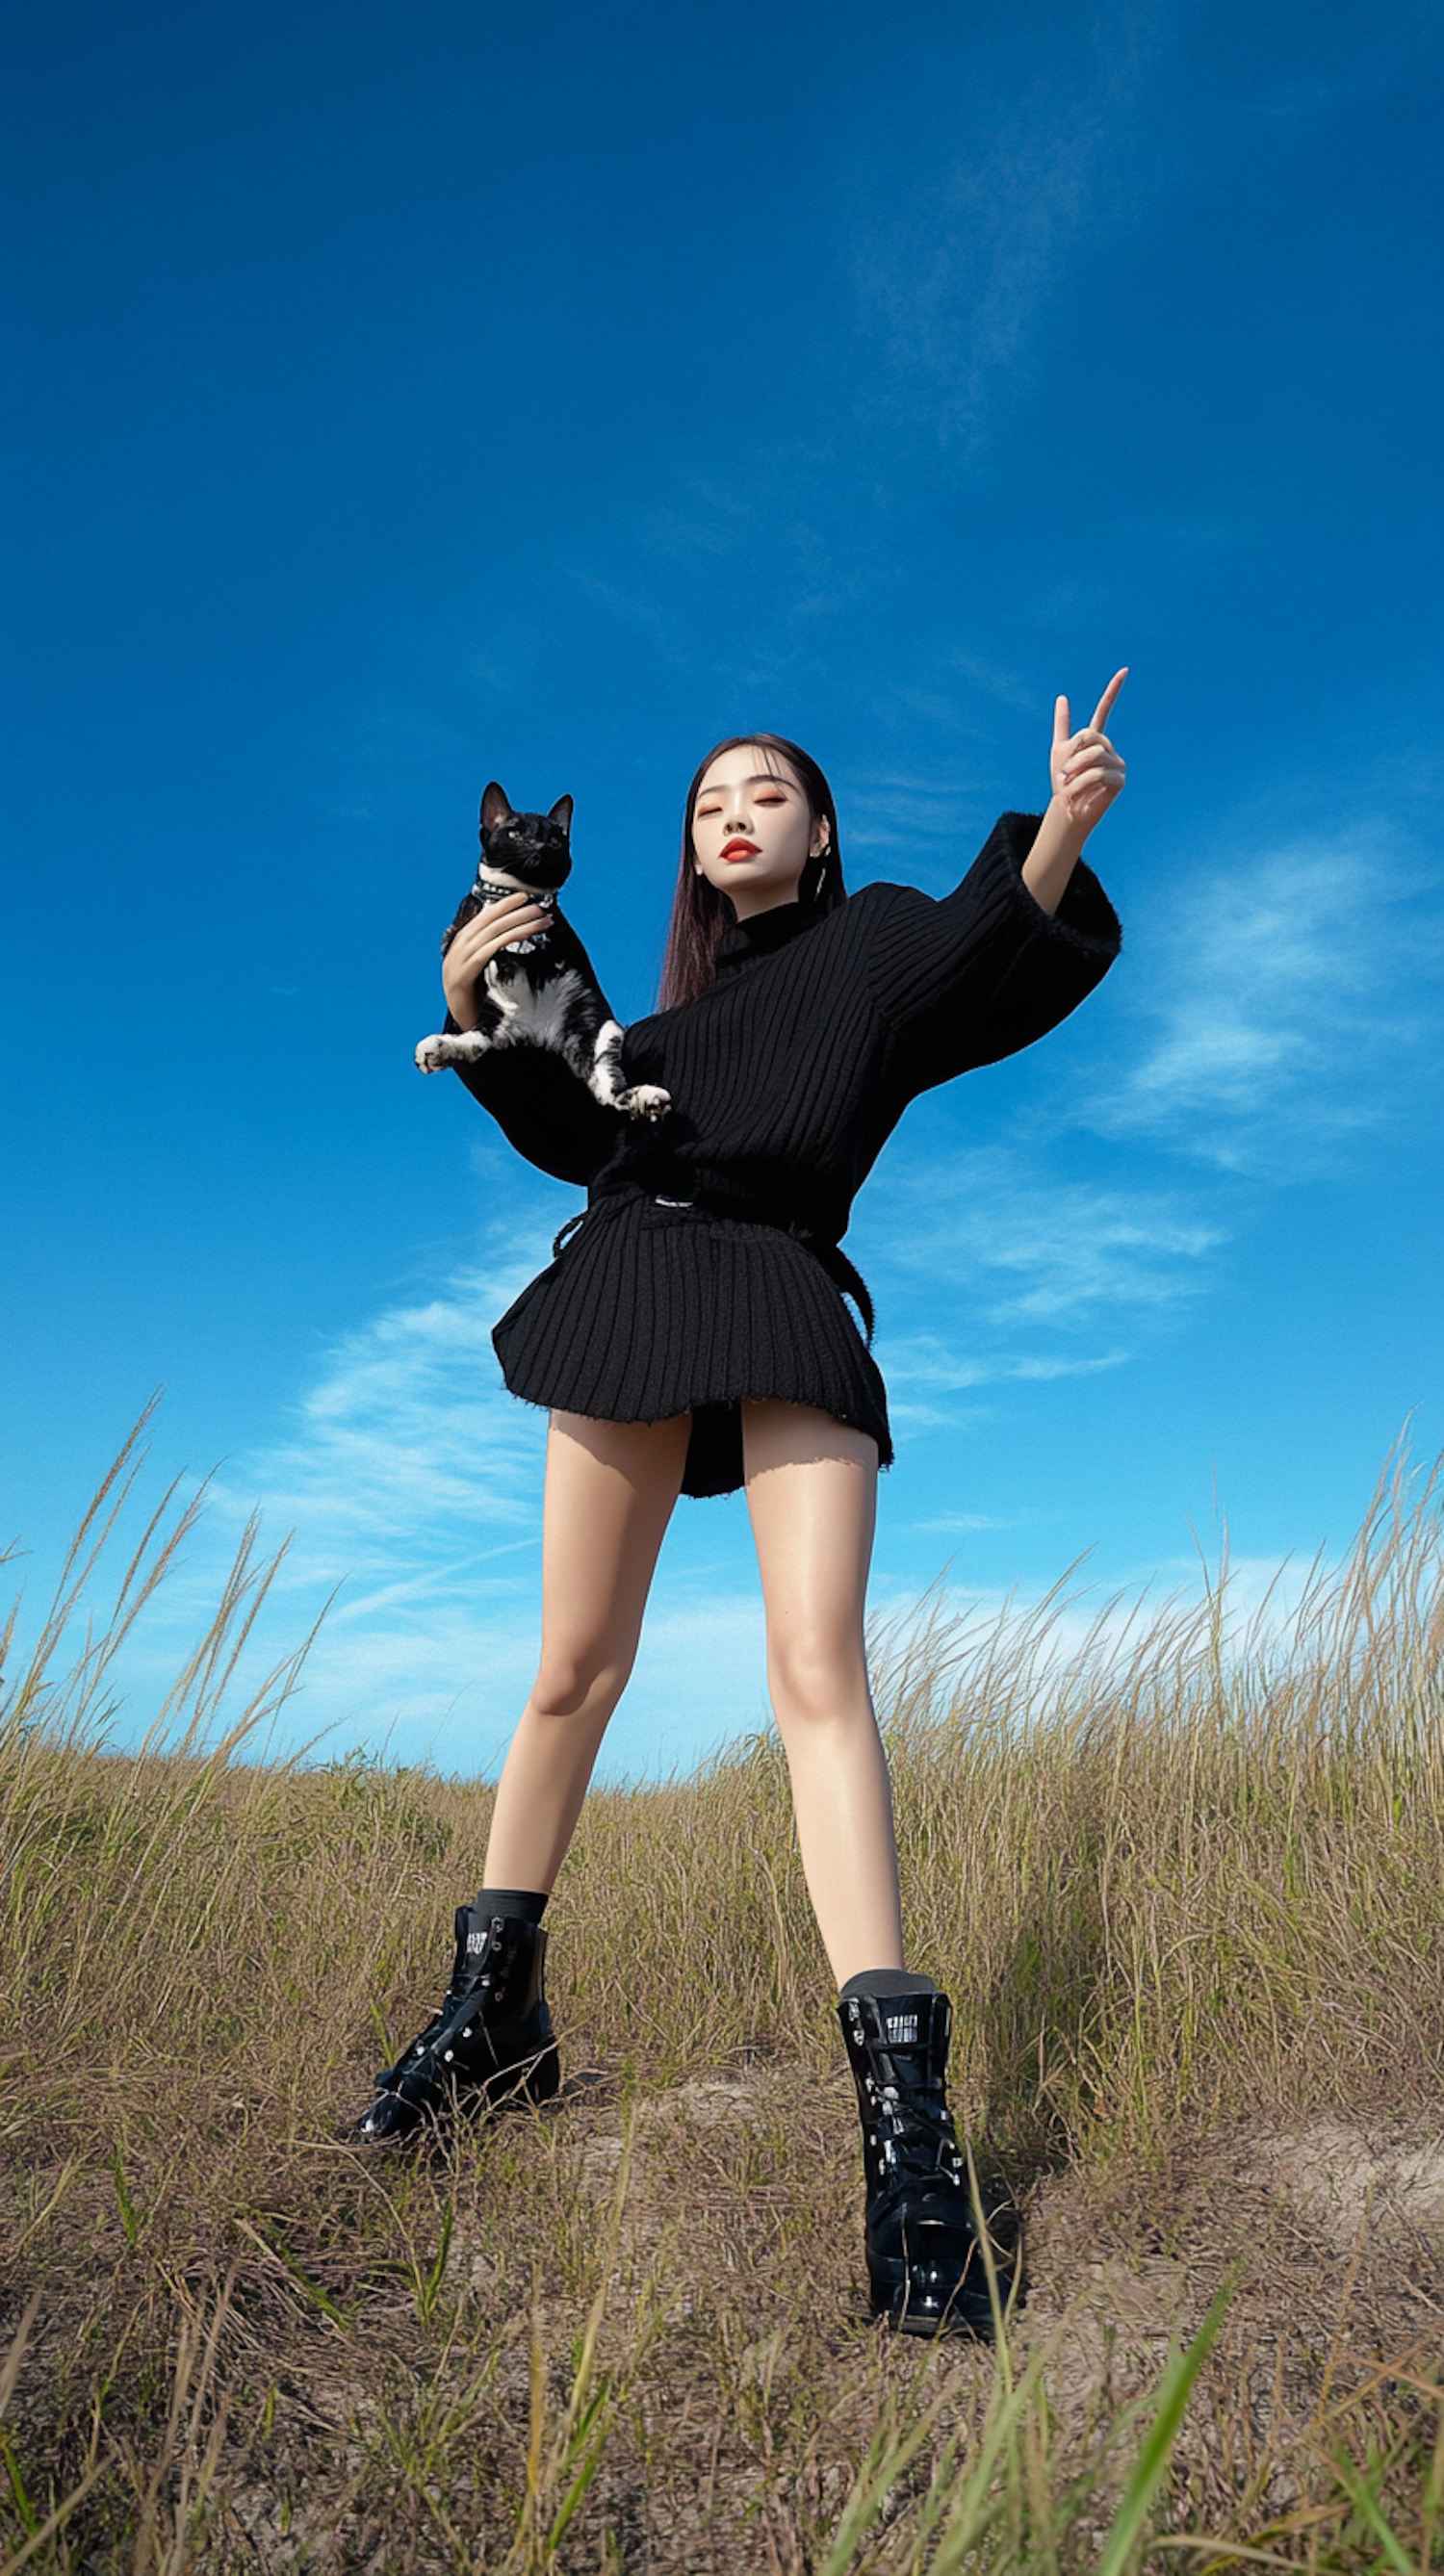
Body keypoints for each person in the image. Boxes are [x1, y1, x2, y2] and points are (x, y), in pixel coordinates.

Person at [351, 678, 1127, 2338]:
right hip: (632, 1272)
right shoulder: (664, 1025)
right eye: (711, 800)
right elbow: (580, 1130)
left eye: (767, 790)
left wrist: (1061, 819)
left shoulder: (879, 949)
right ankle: (495, 2022)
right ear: (693, 852)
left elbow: (994, 951)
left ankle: (908, 2141)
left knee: (815, 1672)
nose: (734, 812)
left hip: (781, 1281)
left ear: (820, 829)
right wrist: (480, 1013)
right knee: (571, 1667)